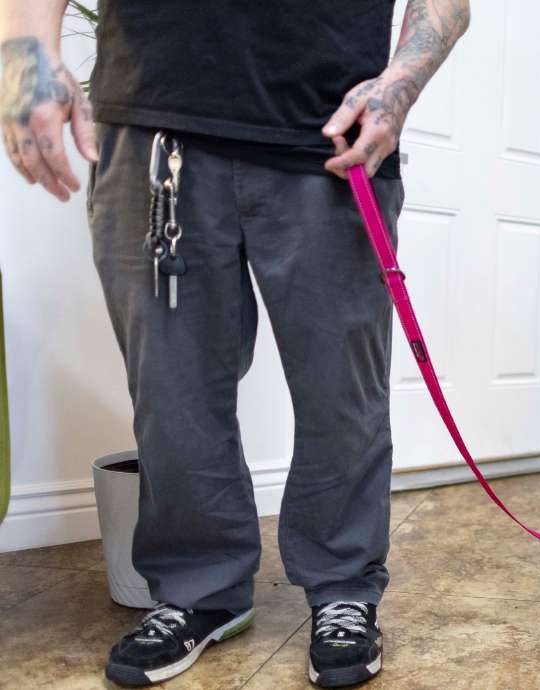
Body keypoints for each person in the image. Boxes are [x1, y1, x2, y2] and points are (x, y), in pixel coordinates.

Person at [0, 0, 469, 686]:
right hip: (156, 134)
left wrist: (399, 86)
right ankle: (197, 590)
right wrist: (26, 59)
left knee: (343, 390)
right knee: (172, 391)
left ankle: (342, 587)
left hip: (331, 139)